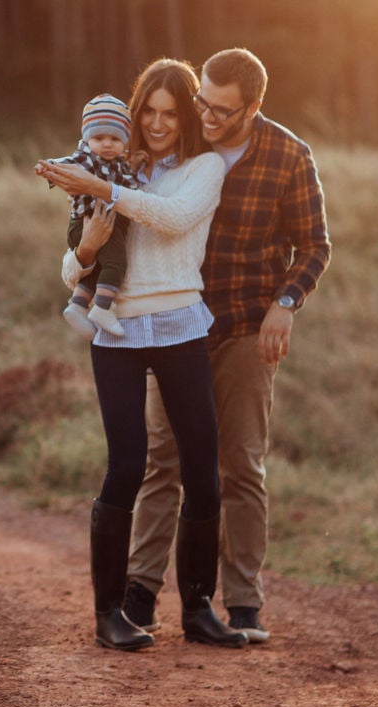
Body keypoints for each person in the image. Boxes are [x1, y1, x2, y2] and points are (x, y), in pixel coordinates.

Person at [120, 48, 332, 646]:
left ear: (253, 107)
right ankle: (140, 591)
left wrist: (285, 305)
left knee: (240, 464)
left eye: (221, 109)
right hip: (174, 326)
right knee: (163, 461)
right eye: (202, 103)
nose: (206, 115)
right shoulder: (179, 145)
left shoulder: (289, 157)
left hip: (243, 327)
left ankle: (242, 601)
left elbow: (314, 246)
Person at [38, 58, 246, 651]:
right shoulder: (110, 162)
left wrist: (104, 190)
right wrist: (88, 247)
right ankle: (110, 615)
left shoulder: (203, 168)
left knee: (202, 469)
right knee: (126, 465)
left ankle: (200, 610)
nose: (157, 124)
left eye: (169, 113)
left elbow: (176, 220)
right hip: (119, 331)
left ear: (186, 117)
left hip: (181, 323)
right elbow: (68, 267)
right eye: (147, 112)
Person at [39, 93, 145, 339]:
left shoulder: (120, 164)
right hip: (88, 223)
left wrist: (136, 165)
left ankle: (77, 305)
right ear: (87, 139)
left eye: (115, 138)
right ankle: (102, 308)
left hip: (97, 225)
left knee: (98, 265)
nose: (107, 144)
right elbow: (67, 163)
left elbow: (134, 191)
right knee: (116, 262)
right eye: (99, 138)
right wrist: (48, 168)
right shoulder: (87, 158)